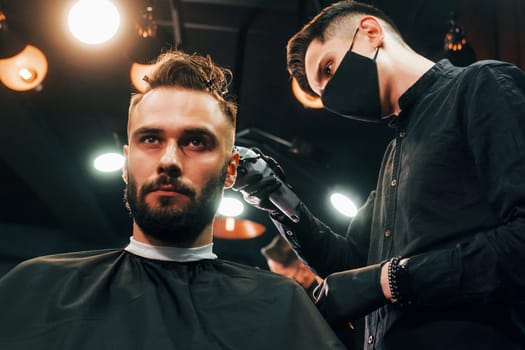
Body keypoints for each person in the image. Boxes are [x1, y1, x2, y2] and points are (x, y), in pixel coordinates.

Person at [0, 50, 347, 349]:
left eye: (196, 142)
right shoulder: (36, 290)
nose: (168, 160)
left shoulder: (282, 309)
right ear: (126, 162)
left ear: (231, 170)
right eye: (151, 139)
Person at [235, 1, 525, 349]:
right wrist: (273, 196)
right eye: (321, 93)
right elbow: (350, 264)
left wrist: (394, 280)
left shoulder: (481, 85)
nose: (330, 96)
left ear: (371, 33)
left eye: (328, 68)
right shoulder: (394, 153)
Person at [261, 234, 364, 349]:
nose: (279, 281)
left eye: (281, 275)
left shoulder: (331, 291)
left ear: (302, 265)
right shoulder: (300, 301)